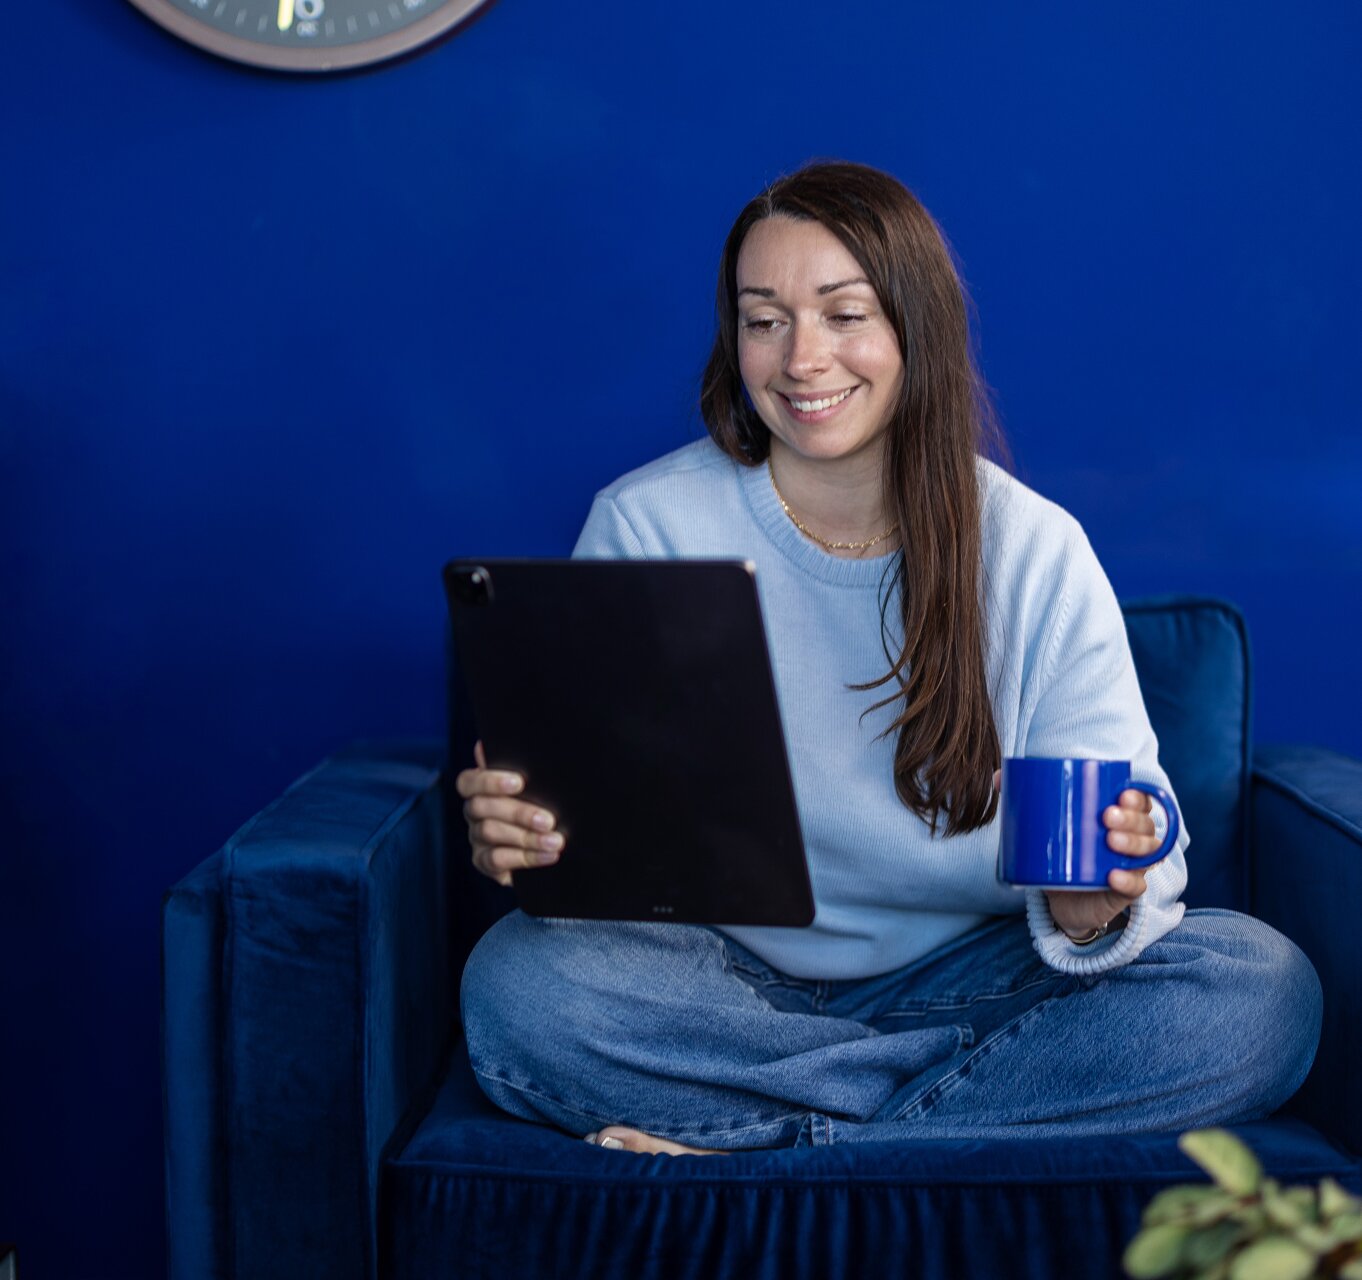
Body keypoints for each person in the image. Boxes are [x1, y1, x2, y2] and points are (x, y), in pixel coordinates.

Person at [456, 161, 1321, 1155]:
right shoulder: (650, 523)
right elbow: (606, 845)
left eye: (843, 313)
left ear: (915, 326)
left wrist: (1091, 913)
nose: (799, 357)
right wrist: (530, 841)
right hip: (724, 989)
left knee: (1259, 991)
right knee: (520, 982)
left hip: (980, 982)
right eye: (762, 317)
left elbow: (1128, 870)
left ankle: (782, 1149)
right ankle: (920, 1132)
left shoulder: (1033, 549)